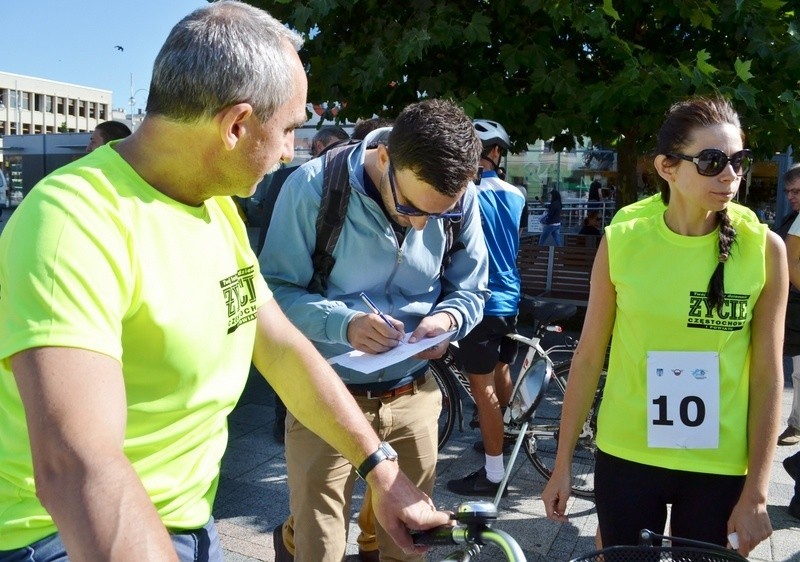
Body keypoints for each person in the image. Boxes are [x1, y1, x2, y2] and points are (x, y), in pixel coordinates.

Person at [0, 3, 451, 561]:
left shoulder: (215, 211)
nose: (290, 150)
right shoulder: (73, 221)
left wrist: (383, 471)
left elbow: (282, 349)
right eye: (288, 128)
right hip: (62, 537)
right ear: (236, 124)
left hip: (187, 524)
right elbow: (78, 464)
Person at [542, 96, 786, 557]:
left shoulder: (764, 248)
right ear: (667, 167)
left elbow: (768, 376)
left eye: (737, 161)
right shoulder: (623, 237)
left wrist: (757, 491)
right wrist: (561, 464)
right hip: (628, 453)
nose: (730, 176)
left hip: (720, 461)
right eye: (712, 162)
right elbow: (590, 353)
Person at [261, 98, 489, 562]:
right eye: (409, 207)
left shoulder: (461, 198)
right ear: (384, 156)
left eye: (439, 216)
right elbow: (271, 293)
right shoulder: (312, 187)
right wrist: (342, 324)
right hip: (324, 396)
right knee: (318, 545)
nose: (421, 224)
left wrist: (448, 320)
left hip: (414, 395)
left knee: (409, 545)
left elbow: (473, 289)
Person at [446, 119, 526, 498]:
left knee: (482, 390)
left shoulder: (466, 194)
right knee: (502, 369)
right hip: (511, 299)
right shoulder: (517, 193)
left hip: (481, 301)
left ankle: (494, 475)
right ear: (497, 153)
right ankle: (502, 436)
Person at [774, 164, 800, 448]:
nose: (791, 196)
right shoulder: (791, 219)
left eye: (797, 191)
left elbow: (791, 263)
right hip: (788, 305)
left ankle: (796, 424)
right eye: (788, 191)